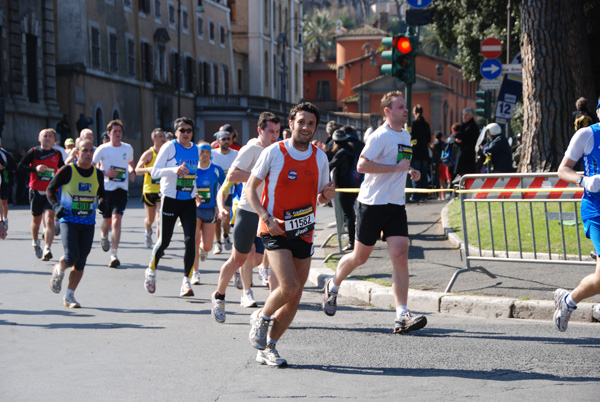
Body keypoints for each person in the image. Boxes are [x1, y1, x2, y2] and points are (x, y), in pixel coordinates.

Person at [322, 91, 427, 335]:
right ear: (387, 112)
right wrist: (395, 169)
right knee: (360, 257)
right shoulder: (380, 135)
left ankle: (402, 314)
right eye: (400, 107)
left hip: (396, 205)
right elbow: (362, 165)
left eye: (405, 106)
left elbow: (399, 162)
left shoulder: (405, 135)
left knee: (400, 255)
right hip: (371, 204)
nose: (405, 110)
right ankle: (333, 284)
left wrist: (409, 171)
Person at [245, 102, 334, 366]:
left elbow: (319, 196)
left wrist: (326, 196)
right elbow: (251, 189)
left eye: (311, 124)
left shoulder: (320, 157)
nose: (306, 127)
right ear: (291, 123)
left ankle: (269, 346)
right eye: (302, 122)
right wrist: (264, 215)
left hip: (304, 231)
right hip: (274, 228)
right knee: (290, 286)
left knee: (295, 297)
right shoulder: (274, 152)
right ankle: (261, 317)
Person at [210, 111, 281, 323]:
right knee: (238, 258)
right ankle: (219, 296)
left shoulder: (278, 149)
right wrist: (258, 177)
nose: (274, 136)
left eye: (277, 132)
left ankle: (271, 309)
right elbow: (232, 175)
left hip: (270, 212)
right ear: (260, 130)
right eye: (270, 131)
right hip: (248, 210)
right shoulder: (251, 149)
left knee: (265, 259)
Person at [554, 97, 600, 332]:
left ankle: (569, 300)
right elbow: (563, 169)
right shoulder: (586, 134)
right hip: (596, 210)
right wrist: (584, 180)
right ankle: (567, 302)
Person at [144, 117, 200, 298]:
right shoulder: (170, 147)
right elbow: (155, 172)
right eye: (182, 130)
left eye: (188, 130)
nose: (185, 134)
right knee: (165, 241)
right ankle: (151, 270)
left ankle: (186, 282)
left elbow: (194, 175)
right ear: (176, 132)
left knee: (191, 240)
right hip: (170, 199)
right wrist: (174, 170)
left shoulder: (196, 150)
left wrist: (196, 192)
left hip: (188, 201)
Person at [47, 139, 105, 308]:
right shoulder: (67, 171)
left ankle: (69, 296)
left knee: (81, 261)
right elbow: (50, 190)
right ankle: (59, 269)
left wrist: (103, 203)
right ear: (77, 153)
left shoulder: (97, 173)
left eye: (90, 151)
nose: (88, 154)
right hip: (69, 220)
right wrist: (56, 206)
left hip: (88, 222)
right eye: (84, 151)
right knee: (72, 256)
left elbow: (101, 194)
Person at [92, 120, 135, 267]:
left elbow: (129, 164)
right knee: (107, 222)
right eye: (115, 131)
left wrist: (131, 171)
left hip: (121, 189)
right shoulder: (102, 149)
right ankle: (104, 234)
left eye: (119, 131)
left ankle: (114, 254)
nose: (117, 134)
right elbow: (90, 168)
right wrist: (105, 172)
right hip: (105, 190)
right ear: (109, 133)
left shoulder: (128, 148)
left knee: (117, 220)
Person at [18, 128, 65, 260]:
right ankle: (35, 242)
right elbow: (20, 167)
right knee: (36, 221)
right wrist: (35, 168)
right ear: (39, 138)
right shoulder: (33, 152)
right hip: (36, 191)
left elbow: (62, 169)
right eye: (45, 135)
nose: (47, 138)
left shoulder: (57, 154)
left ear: (54, 140)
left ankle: (47, 248)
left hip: (51, 191)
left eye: (50, 136)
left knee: (50, 220)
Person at [191, 141, 225, 285]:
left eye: (207, 151)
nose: (204, 154)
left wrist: (221, 205)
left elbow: (225, 188)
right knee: (194, 240)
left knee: (207, 246)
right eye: (201, 151)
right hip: (194, 209)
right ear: (197, 153)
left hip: (210, 209)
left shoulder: (217, 170)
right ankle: (195, 273)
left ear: (210, 154)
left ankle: (203, 250)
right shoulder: (192, 169)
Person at [329, 126, 364, 251]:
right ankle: (355, 239)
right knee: (352, 214)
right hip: (354, 185)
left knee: (348, 215)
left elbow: (330, 165)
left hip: (344, 187)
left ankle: (351, 242)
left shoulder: (341, 153)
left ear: (335, 142)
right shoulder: (351, 149)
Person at [135, 128, 167, 248]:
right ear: (153, 139)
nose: (163, 138)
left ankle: (159, 245)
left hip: (162, 190)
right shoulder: (149, 154)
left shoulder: (167, 154)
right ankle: (148, 231)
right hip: (149, 190)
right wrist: (148, 169)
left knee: (160, 218)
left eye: (163, 136)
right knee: (150, 220)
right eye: (160, 136)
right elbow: (137, 170)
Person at [211, 130, 239, 254]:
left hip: (232, 190)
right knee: (218, 218)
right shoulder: (212, 154)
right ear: (218, 141)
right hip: (216, 191)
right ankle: (217, 243)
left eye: (229, 138)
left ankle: (226, 235)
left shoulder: (236, 154)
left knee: (226, 217)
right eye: (224, 139)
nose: (227, 141)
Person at [409, 104, 432, 202]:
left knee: (415, 173)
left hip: (415, 152)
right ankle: (424, 195)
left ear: (414, 113)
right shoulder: (426, 124)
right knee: (423, 174)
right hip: (424, 152)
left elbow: (410, 138)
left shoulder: (412, 124)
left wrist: (414, 144)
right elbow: (429, 139)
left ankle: (416, 195)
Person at [454, 107, 479, 179]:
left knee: (466, 176)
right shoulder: (464, 126)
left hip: (467, 157)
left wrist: (458, 138)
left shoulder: (472, 126)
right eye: (463, 115)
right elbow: (457, 136)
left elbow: (461, 135)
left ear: (471, 116)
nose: (464, 117)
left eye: (466, 115)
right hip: (463, 155)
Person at [0, 137, 16, 227]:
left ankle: (5, 219)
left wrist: (4, 168)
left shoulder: (4, 154)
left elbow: (14, 166)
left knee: (3, 201)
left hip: (3, 180)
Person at [430, 131, 450, 200]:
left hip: (437, 163)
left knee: (438, 180)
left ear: (435, 137)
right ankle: (444, 196)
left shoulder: (433, 145)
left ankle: (439, 196)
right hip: (443, 163)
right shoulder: (444, 144)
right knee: (443, 180)